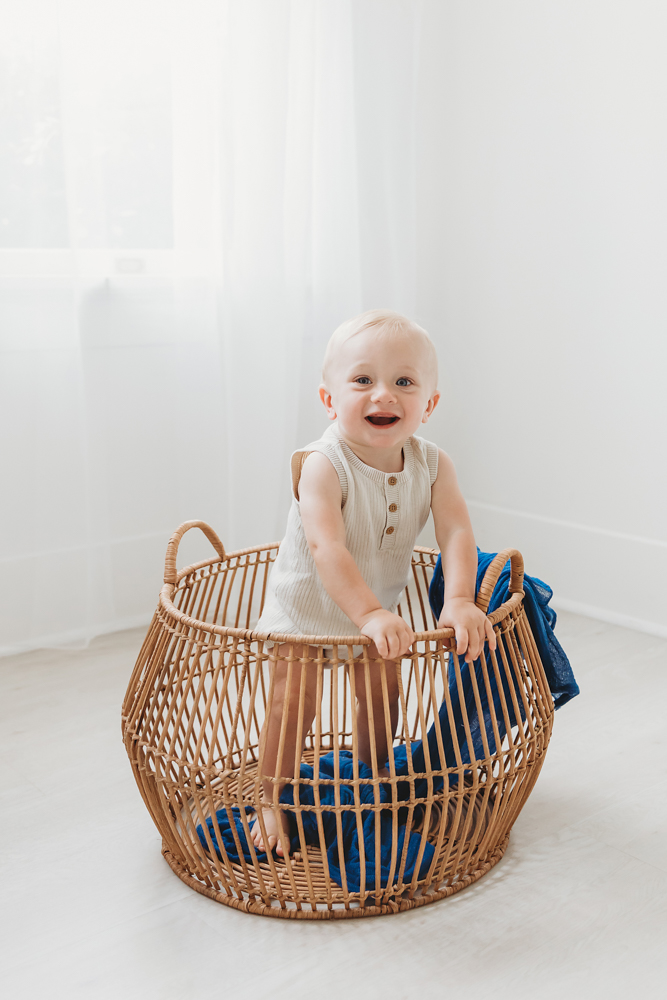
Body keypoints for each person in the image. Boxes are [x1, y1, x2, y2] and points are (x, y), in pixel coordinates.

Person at [251, 309, 496, 857]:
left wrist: (457, 598)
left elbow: (457, 529)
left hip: (375, 608)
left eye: (403, 382)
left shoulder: (433, 464)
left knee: (384, 690)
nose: (382, 394)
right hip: (310, 608)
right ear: (329, 399)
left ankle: (373, 777)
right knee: (294, 702)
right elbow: (327, 549)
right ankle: (269, 797)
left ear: (428, 405)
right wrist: (369, 615)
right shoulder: (322, 465)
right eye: (362, 380)